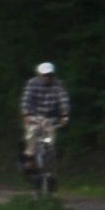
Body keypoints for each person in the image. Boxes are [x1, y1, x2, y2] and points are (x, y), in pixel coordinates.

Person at [21, 61, 72, 195]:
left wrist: (65, 114)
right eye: (44, 75)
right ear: (39, 75)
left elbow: (63, 99)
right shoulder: (32, 84)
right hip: (35, 117)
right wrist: (26, 114)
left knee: (51, 143)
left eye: (49, 75)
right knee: (31, 135)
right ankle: (29, 159)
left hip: (50, 118)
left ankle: (50, 171)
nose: (47, 78)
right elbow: (26, 100)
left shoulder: (58, 84)